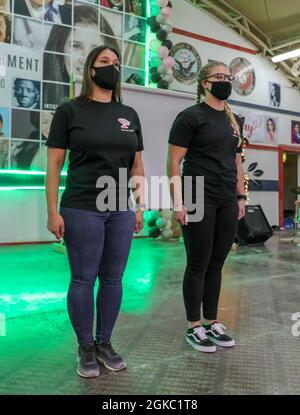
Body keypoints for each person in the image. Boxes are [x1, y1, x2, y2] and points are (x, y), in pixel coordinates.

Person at [46, 45, 145, 378]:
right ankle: (85, 346)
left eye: (116, 63)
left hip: (120, 208)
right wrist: (52, 211)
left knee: (114, 279)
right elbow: (54, 165)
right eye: (105, 62)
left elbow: (137, 166)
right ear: (91, 69)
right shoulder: (69, 111)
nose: (112, 68)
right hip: (81, 206)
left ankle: (104, 342)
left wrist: (139, 205)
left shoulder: (129, 114)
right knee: (83, 279)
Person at [167, 61, 246, 353]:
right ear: (204, 83)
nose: (225, 81)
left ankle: (211, 321)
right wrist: (178, 201)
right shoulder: (190, 117)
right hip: (197, 195)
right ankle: (194, 326)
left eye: (228, 77)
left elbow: (237, 161)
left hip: (227, 198)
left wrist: (241, 196)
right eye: (219, 77)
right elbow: (174, 162)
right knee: (198, 262)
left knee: (217, 263)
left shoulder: (233, 118)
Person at [43, 5, 119, 107]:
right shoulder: (64, 110)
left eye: (95, 49)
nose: (85, 58)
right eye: (76, 46)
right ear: (60, 50)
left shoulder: (124, 111)